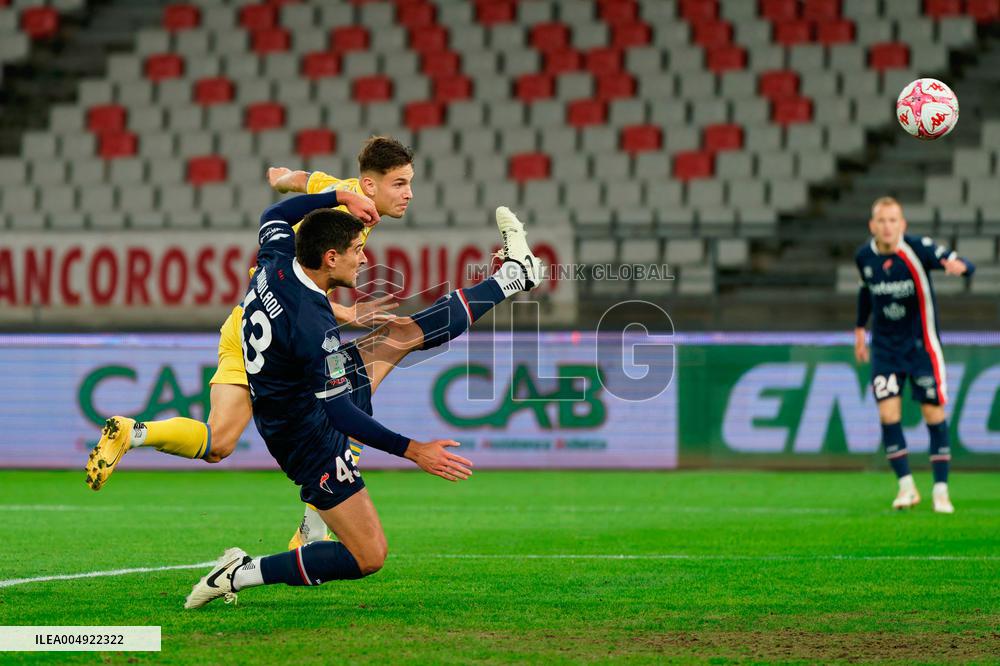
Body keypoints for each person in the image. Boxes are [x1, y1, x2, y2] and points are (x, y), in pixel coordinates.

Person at [183, 191, 539, 608]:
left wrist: (339, 197)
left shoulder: (277, 256)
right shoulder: (314, 326)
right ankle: (239, 572)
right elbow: (341, 413)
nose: (365, 260)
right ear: (331, 257)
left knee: (400, 333)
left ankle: (514, 277)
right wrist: (414, 450)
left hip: (297, 398)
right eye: (358, 250)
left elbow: (275, 212)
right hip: (308, 437)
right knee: (369, 556)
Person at [85, 136, 414, 547]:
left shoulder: (340, 192)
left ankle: (134, 433)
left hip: (245, 323)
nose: (409, 194)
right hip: (279, 339)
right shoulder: (341, 212)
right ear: (370, 185)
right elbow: (297, 286)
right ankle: (314, 525)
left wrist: (283, 179)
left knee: (219, 442)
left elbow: (303, 181)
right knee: (350, 402)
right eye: (399, 183)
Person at [853, 197, 974, 513]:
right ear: (872, 225)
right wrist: (858, 330)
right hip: (885, 349)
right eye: (882, 220)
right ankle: (906, 488)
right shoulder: (864, 257)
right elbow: (866, 292)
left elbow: (963, 263)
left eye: (893, 220)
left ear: (902, 225)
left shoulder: (918, 249)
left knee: (933, 415)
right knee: (887, 415)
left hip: (922, 347)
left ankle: (941, 490)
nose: (887, 226)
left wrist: (958, 267)